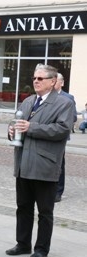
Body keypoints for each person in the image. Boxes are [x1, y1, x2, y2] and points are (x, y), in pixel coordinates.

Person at [5, 64, 73, 257]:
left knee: (45, 211)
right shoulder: (28, 101)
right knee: (23, 207)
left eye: (40, 78)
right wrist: (10, 131)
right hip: (23, 163)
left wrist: (31, 127)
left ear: (52, 82)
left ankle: (41, 249)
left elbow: (62, 130)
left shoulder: (63, 103)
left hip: (44, 165)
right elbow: (15, 122)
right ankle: (22, 243)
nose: (36, 81)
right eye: (35, 78)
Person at [53, 73, 75, 203]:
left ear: (62, 83)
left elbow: (73, 117)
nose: (54, 83)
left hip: (60, 135)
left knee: (60, 163)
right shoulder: (46, 96)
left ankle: (58, 192)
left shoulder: (68, 98)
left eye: (56, 81)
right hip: (47, 134)